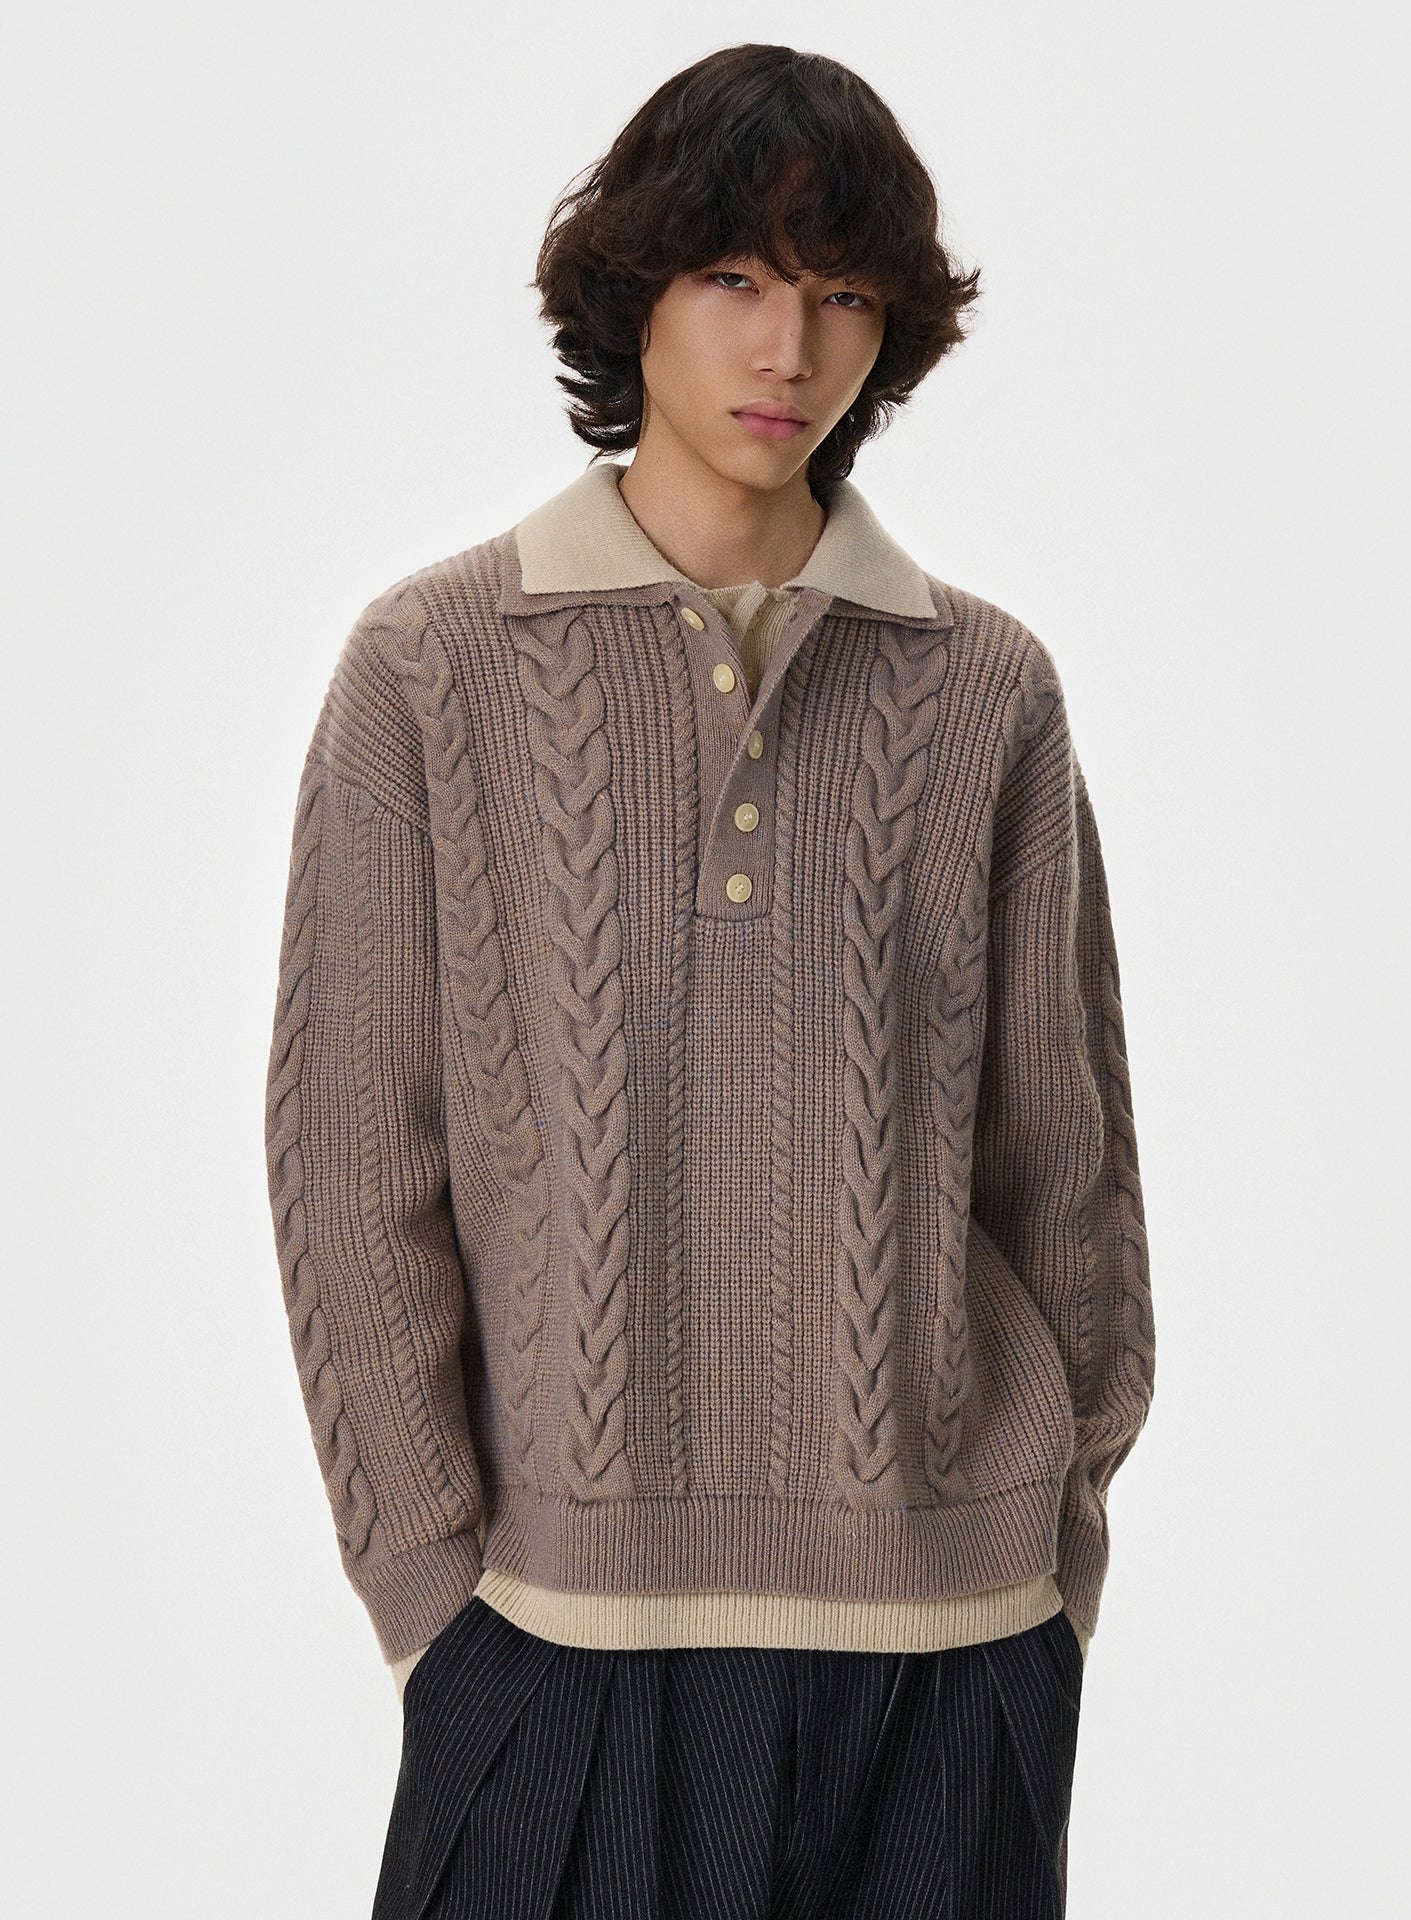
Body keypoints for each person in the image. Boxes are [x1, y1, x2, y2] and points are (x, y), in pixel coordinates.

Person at [264, 40, 1157, 1920]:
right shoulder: (429, 668)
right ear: (637, 293)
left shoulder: (989, 690)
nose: (788, 349)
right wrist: (433, 1605)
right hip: (555, 1643)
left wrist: (1055, 1563)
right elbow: (352, 1170)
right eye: (737, 277)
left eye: (845, 297)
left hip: (950, 1648)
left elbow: (1068, 1170)